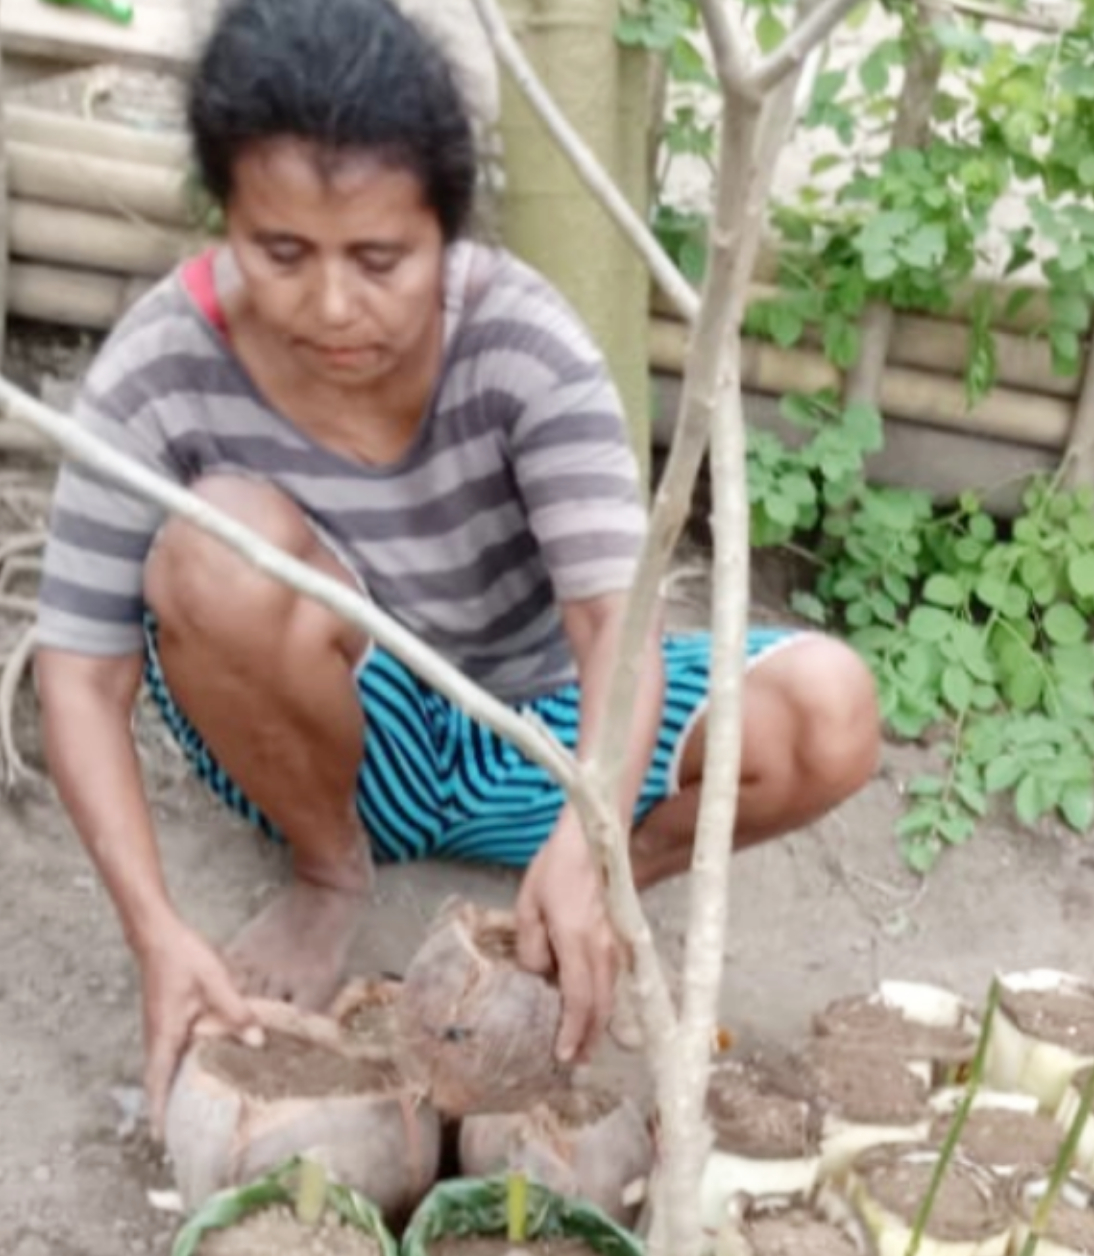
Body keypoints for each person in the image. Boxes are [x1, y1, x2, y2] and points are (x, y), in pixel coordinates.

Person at [31, 0, 881, 1130]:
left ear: (447, 231)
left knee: (828, 709)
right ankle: (330, 871)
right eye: (281, 252)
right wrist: (155, 932)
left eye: (381, 258)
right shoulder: (160, 365)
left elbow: (612, 634)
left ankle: (580, 898)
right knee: (209, 549)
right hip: (325, 732)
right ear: (223, 218)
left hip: (542, 732)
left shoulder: (522, 345)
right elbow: (79, 674)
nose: (333, 306)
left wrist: (588, 839)